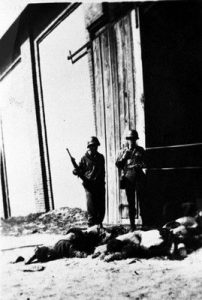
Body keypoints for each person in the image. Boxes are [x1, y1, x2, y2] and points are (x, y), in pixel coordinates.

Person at [116, 129, 146, 231]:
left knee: (142, 201)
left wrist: (140, 165)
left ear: (135, 140)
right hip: (129, 178)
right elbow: (118, 165)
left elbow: (146, 163)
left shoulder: (140, 150)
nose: (131, 141)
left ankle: (144, 223)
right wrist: (124, 157)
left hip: (139, 177)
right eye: (129, 139)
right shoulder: (122, 151)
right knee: (131, 202)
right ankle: (132, 225)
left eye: (133, 139)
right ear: (127, 140)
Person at [73, 136, 105, 228]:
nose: (94, 148)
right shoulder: (84, 158)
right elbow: (79, 170)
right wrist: (75, 171)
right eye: (92, 146)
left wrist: (101, 183)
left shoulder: (100, 157)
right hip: (89, 186)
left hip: (99, 185)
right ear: (89, 147)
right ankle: (91, 227)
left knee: (101, 207)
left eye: (95, 146)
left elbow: (102, 172)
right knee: (91, 207)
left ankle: (99, 226)